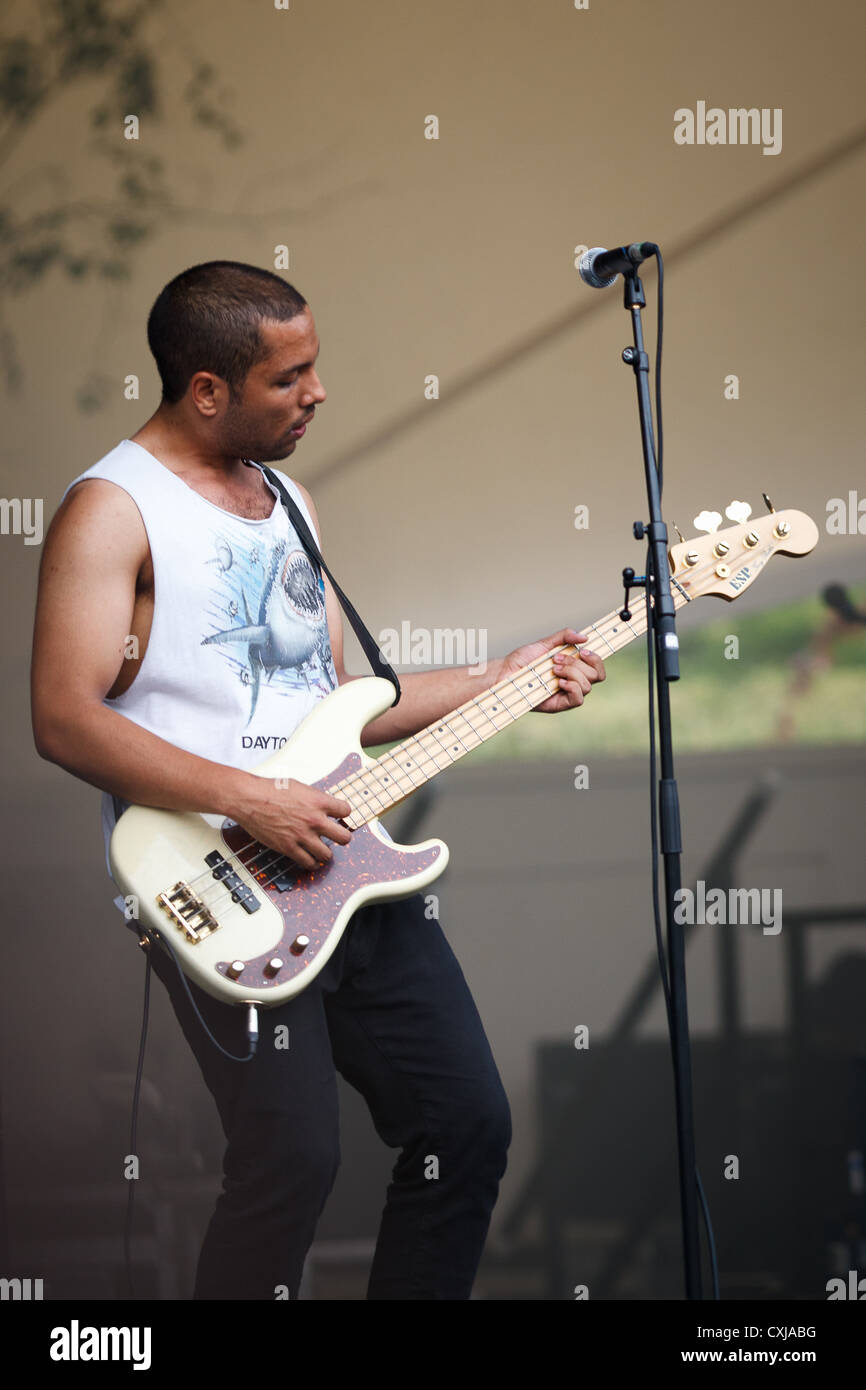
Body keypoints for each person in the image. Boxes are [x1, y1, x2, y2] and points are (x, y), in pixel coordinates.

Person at [30, 260, 606, 1300]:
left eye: (314, 369)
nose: (318, 393)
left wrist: (501, 677)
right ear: (207, 387)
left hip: (347, 862)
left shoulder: (288, 499)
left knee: (464, 1123)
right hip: (219, 881)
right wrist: (249, 798)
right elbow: (63, 717)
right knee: (291, 1161)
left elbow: (336, 701)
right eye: (289, 378)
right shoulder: (112, 511)